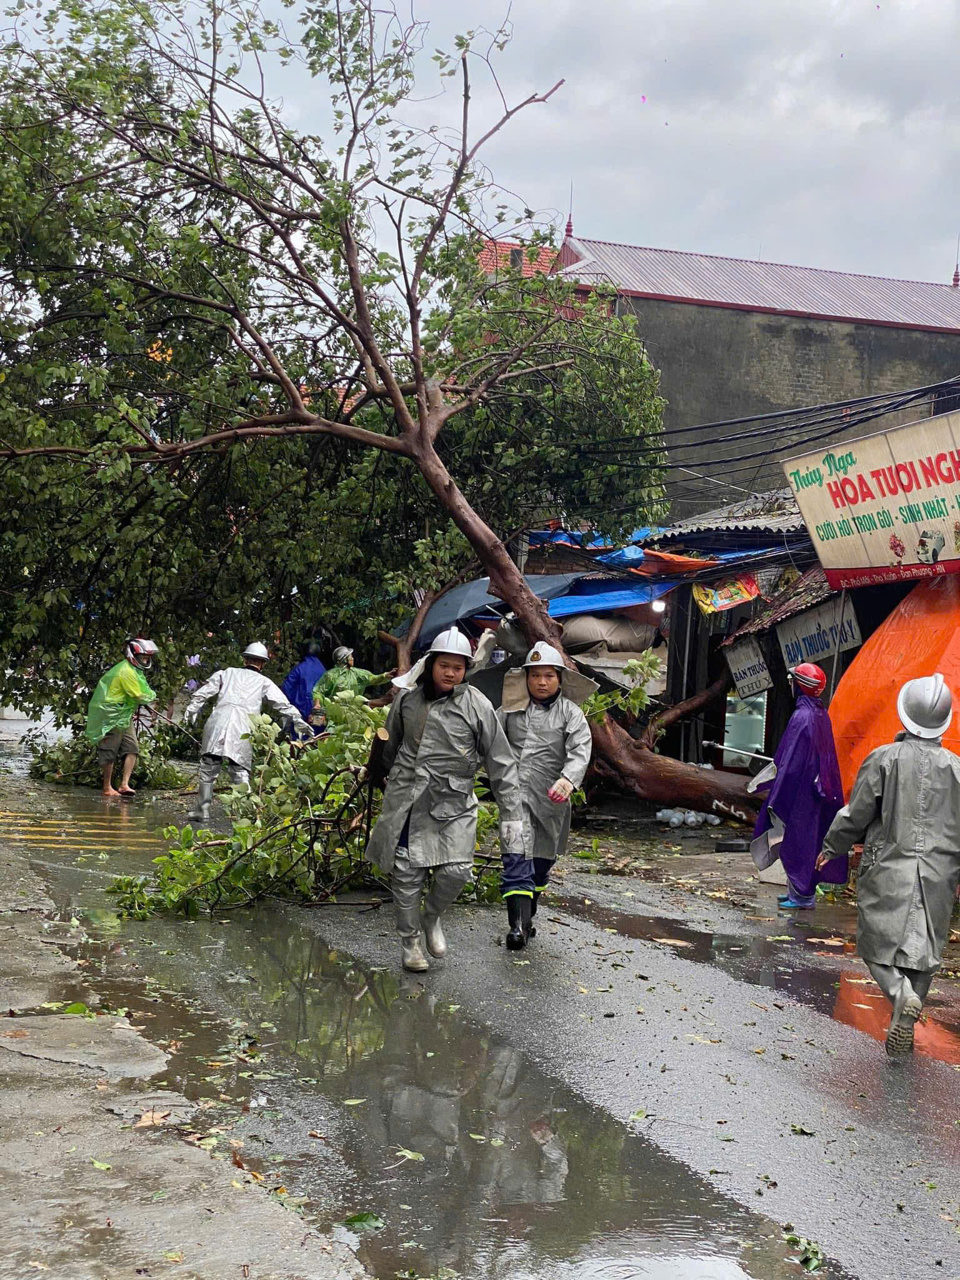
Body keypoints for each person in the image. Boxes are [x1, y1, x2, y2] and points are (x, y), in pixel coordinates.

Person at [366, 627, 526, 973]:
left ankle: (432, 916)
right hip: (410, 796)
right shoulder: (408, 700)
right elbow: (389, 744)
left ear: (465, 669)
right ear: (431, 664)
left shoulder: (477, 705)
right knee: (407, 873)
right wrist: (384, 780)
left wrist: (511, 814)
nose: (450, 672)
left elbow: (499, 759)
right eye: (444, 665)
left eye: (458, 667)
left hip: (454, 801)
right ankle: (410, 943)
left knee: (457, 871)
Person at [817, 673, 960, 1057]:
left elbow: (858, 812)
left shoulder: (884, 759)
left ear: (904, 715)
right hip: (941, 874)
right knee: (925, 951)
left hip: (888, 865)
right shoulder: (957, 768)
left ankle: (899, 994)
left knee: (875, 944)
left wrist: (833, 845)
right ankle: (908, 1013)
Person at [497, 643, 594, 950]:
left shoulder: (572, 714)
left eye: (548, 675)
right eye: (535, 675)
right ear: (525, 678)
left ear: (559, 679)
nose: (541, 682)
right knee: (515, 857)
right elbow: (488, 740)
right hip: (513, 798)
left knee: (540, 863)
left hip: (552, 801)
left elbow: (580, 751)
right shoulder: (510, 708)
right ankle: (516, 928)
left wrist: (568, 780)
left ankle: (528, 917)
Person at [750, 662, 846, 910]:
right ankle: (800, 892)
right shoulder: (819, 713)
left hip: (801, 791)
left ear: (799, 686)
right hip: (817, 789)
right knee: (808, 840)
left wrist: (777, 792)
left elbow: (791, 762)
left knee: (797, 842)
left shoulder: (801, 717)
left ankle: (802, 895)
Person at [183, 641, 310, 823]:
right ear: (263, 663)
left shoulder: (226, 673)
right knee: (239, 771)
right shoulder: (264, 682)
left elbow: (202, 693)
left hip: (218, 723)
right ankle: (247, 813)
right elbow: (283, 704)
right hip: (243, 729)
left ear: (244, 659)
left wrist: (192, 708)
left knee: (208, 769)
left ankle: (202, 810)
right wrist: (298, 720)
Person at [85, 639, 158, 798]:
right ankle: (107, 787)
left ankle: (124, 784)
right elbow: (139, 695)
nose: (145, 660)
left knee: (132, 748)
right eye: (143, 657)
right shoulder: (126, 671)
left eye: (147, 657)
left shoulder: (134, 671)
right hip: (112, 715)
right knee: (110, 750)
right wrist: (151, 698)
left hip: (123, 715)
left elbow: (140, 693)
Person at [310, 645, 391, 730]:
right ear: (345, 660)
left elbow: (372, 679)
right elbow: (318, 691)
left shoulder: (356, 673)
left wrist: (386, 676)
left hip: (354, 715)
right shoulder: (331, 675)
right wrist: (317, 704)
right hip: (335, 716)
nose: (353, 658)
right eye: (351, 656)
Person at [281, 639, 327, 734]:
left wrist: (294, 702)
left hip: (301, 710)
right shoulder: (324, 670)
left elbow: (287, 687)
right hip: (319, 711)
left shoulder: (299, 668)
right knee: (318, 740)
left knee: (300, 742)